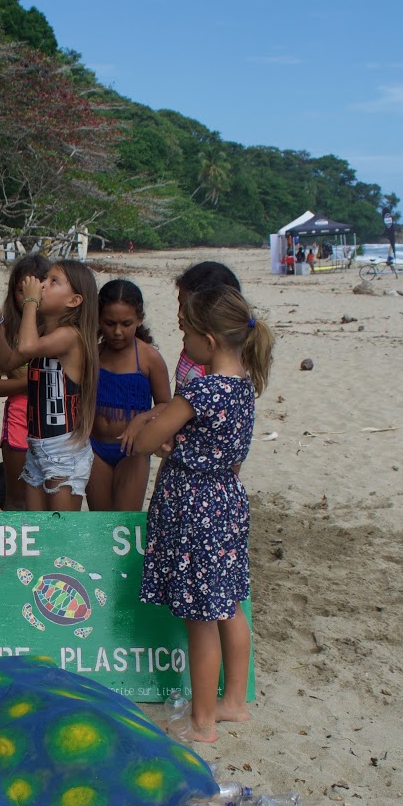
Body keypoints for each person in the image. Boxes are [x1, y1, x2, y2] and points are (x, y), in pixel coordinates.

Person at [123, 287, 272, 743]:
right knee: (228, 603)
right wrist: (182, 440)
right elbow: (211, 444)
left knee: (201, 620)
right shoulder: (245, 386)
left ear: (208, 339)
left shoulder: (201, 390)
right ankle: (234, 704)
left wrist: (160, 432)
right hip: (225, 500)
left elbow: (148, 444)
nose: (181, 338)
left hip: (193, 506)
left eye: (185, 330)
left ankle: (202, 721)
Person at [0, 259, 99, 512]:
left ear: (74, 300)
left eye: (53, 281)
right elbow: (7, 361)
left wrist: (30, 301)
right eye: (43, 280)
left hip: (63, 448)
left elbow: (25, 347)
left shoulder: (69, 335)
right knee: (36, 528)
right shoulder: (44, 334)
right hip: (37, 445)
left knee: (61, 534)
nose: (42, 285)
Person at [88, 280, 170, 512]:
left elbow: (166, 404)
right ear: (98, 319)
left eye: (126, 324)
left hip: (133, 452)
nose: (117, 331)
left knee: (125, 522)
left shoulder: (149, 358)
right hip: (95, 448)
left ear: (140, 319)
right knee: (100, 523)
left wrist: (141, 419)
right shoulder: (93, 355)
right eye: (109, 323)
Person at [0, 254, 52, 513]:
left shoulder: (61, 332)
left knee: (52, 501)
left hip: (57, 420)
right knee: (17, 499)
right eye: (22, 291)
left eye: (36, 290)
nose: (29, 298)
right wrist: (30, 384)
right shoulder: (6, 331)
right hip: (19, 419)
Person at [172, 262, 241, 391]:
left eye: (187, 308)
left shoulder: (217, 361)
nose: (180, 314)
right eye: (180, 305)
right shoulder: (192, 348)